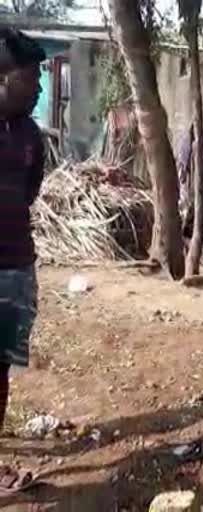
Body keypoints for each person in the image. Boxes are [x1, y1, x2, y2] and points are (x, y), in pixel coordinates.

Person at [0, 29, 46, 492]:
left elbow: (29, 192)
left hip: (15, 270)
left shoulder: (32, 137)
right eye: (30, 78)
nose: (37, 88)